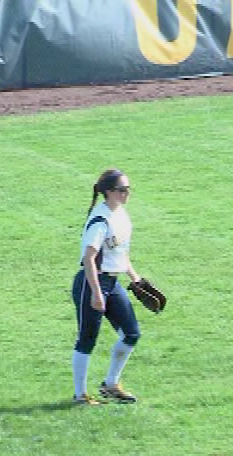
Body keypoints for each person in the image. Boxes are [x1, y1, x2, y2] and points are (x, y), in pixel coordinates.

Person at [71, 168, 145, 405]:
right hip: (92, 282)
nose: (127, 194)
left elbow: (120, 252)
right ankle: (80, 395)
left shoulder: (121, 215)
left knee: (131, 333)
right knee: (87, 339)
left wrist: (135, 277)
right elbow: (89, 259)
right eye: (122, 190)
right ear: (109, 192)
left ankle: (111, 384)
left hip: (112, 282)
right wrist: (95, 292)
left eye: (128, 189)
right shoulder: (100, 220)